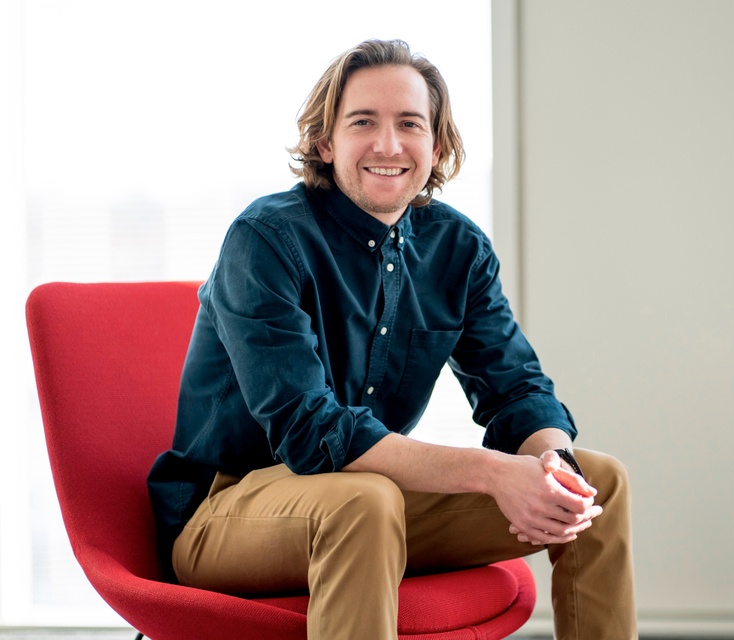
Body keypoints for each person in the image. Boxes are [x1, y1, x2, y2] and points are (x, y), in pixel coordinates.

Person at [147, 38, 637, 640]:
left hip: (372, 502)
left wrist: (551, 464)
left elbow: (516, 389)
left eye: (410, 124)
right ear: (326, 143)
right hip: (226, 514)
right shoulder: (266, 239)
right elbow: (311, 431)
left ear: (436, 145)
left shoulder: (458, 249)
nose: (388, 144)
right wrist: (490, 473)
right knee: (365, 501)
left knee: (595, 481)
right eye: (363, 123)